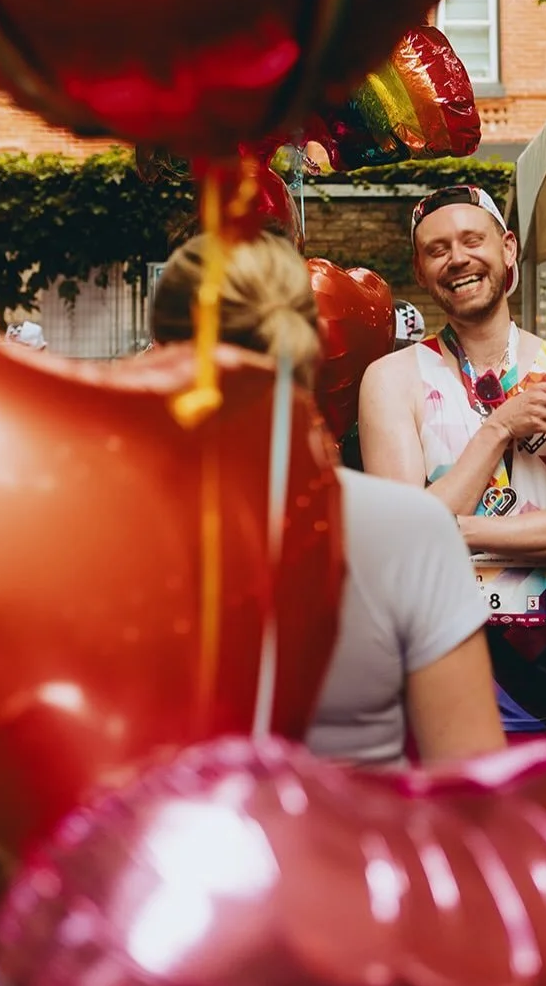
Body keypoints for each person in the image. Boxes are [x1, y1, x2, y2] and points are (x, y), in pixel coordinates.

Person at [151, 230, 505, 767]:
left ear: (163, 354)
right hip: (365, 844)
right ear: (313, 351)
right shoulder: (413, 529)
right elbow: (470, 778)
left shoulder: (120, 531)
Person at [359, 185, 546, 745]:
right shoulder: (393, 379)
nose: (457, 259)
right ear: (422, 272)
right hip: (433, 691)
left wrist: (451, 529)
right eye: (437, 249)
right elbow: (399, 542)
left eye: (472, 240)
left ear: (507, 249)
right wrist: (501, 427)